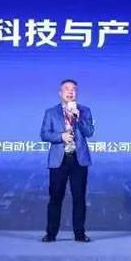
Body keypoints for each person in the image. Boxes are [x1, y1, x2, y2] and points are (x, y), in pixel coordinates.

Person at [39, 79, 95, 242]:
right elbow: (44, 134)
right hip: (59, 160)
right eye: (67, 89)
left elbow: (89, 132)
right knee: (55, 198)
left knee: (79, 198)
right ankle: (51, 234)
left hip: (79, 159)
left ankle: (79, 234)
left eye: (74, 89)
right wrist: (60, 136)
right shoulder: (51, 112)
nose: (70, 92)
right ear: (60, 93)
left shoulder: (84, 110)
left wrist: (78, 118)